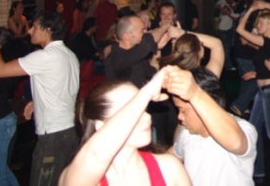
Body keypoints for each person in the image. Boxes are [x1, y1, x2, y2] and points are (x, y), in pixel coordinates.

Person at [59, 67, 191, 186]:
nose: (147, 117)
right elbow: (95, 155)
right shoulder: (83, 178)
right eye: (133, 111)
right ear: (100, 126)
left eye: (144, 108)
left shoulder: (169, 169)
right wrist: (148, 92)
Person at [0, 11, 80, 186]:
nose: (29, 31)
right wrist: (37, 102)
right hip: (70, 131)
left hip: (53, 135)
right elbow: (62, 89)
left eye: (34, 27)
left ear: (47, 30)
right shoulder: (69, 54)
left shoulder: (44, 57)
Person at [167, 66, 257, 186]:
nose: (180, 117)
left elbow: (235, 143)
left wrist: (195, 94)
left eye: (183, 110)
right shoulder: (187, 134)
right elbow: (172, 157)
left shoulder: (243, 128)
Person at [235, 1, 270, 180]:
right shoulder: (267, 44)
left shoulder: (268, 41)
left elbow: (240, 30)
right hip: (262, 91)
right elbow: (268, 66)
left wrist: (250, 10)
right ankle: (258, 171)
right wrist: (256, 74)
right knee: (253, 128)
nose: (257, 25)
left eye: (261, 23)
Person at [0, 27, 24, 186]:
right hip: (3, 121)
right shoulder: (4, 64)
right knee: (1, 169)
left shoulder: (2, 68)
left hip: (1, 123)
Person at [215, 0, 239, 71]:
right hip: (223, 30)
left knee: (227, 48)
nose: (232, 0)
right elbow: (233, 17)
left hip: (229, 29)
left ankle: (225, 65)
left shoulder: (229, 6)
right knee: (226, 49)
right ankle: (228, 66)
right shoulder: (225, 6)